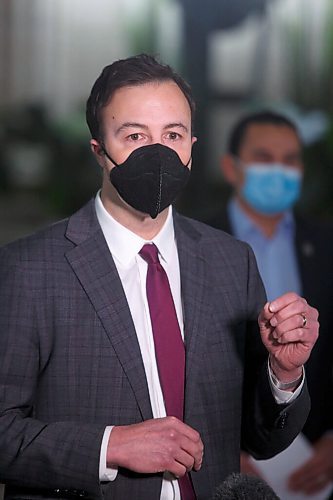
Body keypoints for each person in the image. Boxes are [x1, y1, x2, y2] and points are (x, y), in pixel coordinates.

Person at [0, 56, 319, 500]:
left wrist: (283, 374)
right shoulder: (28, 268)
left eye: (172, 135)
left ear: (191, 145)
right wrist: (111, 446)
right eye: (134, 136)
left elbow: (261, 440)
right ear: (98, 150)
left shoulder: (232, 261)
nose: (158, 153)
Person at [206, 109, 333, 497]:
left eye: (290, 159)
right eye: (264, 158)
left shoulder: (327, 245)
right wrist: (221, 451)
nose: (279, 170)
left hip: (316, 459)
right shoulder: (193, 244)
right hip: (219, 450)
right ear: (232, 168)